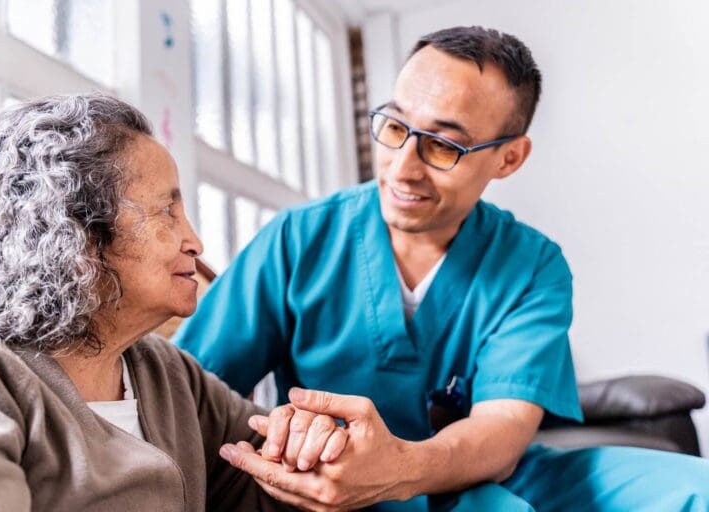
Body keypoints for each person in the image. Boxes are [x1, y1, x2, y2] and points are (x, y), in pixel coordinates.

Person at [173, 26, 709, 511]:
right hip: (333, 483)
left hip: (479, 473)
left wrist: (401, 468)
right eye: (395, 126)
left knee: (693, 489)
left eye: (444, 145)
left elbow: (500, 433)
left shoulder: (532, 266)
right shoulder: (299, 241)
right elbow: (185, 389)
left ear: (508, 159)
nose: (402, 169)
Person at [0, 93, 346, 511]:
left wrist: (306, 442)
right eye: (167, 212)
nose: (195, 242)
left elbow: (271, 480)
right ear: (78, 233)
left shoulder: (168, 373)